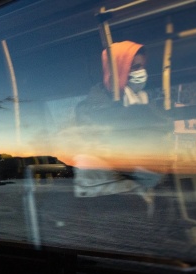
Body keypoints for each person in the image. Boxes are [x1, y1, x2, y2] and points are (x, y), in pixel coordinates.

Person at [74, 41, 172, 217]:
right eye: (134, 67)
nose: (140, 73)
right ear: (119, 69)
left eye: (142, 67)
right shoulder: (94, 109)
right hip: (106, 196)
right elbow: (115, 152)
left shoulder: (139, 100)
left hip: (130, 192)